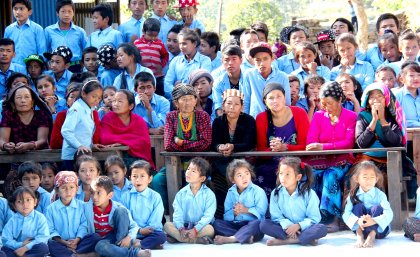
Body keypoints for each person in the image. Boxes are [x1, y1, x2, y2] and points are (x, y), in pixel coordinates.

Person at [306, 81, 357, 232]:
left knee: (330, 175)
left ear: (340, 100)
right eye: (322, 103)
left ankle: (334, 218)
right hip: (321, 160)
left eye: (329, 103)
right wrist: (322, 147)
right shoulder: (318, 116)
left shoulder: (351, 116)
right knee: (310, 175)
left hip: (343, 161)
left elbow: (348, 143)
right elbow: (310, 141)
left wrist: (323, 146)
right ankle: (315, 217)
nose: (325, 107)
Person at [255, 83, 310, 197]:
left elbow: (306, 146)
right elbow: (261, 152)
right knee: (262, 172)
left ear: (285, 98)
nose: (275, 101)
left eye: (279, 96)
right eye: (271, 98)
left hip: (297, 161)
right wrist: (274, 149)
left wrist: (285, 148)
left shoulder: (299, 113)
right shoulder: (261, 118)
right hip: (271, 163)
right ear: (265, 101)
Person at [259, 157, 327, 246]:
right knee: (264, 224)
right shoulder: (275, 194)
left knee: (321, 228)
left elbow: (314, 218)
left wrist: (298, 226)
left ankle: (288, 240)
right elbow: (277, 217)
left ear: (298, 177)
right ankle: (305, 238)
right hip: (285, 228)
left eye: (287, 174)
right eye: (281, 173)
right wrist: (289, 227)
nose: (283, 178)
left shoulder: (309, 193)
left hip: (305, 227)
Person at [211, 89, 256, 217]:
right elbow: (214, 143)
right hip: (221, 163)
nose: (232, 107)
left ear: (242, 107)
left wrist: (232, 147)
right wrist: (220, 147)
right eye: (229, 103)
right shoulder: (218, 122)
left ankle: (243, 215)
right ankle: (222, 216)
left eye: (236, 104)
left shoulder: (249, 120)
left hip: (243, 161)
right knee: (219, 183)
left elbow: (249, 143)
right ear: (223, 105)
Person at [85, 176, 152, 257]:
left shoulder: (117, 206)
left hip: (118, 237)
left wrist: (128, 238)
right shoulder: (87, 209)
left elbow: (134, 227)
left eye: (99, 192)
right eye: (92, 192)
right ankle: (133, 253)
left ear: (110, 195)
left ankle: (119, 249)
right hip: (101, 241)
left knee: (121, 211)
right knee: (100, 246)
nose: (94, 197)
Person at [46, 171, 101, 257]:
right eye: (64, 188)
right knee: (50, 245)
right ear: (57, 190)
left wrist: (77, 240)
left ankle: (72, 254)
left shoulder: (82, 205)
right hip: (61, 243)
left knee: (95, 237)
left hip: (79, 242)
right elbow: (50, 230)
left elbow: (84, 225)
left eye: (72, 187)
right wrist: (64, 242)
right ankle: (77, 255)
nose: (68, 191)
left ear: (77, 189)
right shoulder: (50, 209)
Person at [213, 159, 267, 245]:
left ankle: (232, 238)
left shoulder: (258, 191)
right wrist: (234, 213)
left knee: (259, 224)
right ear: (232, 179)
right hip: (236, 225)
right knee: (217, 223)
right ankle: (244, 237)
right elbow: (226, 214)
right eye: (239, 175)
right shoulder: (231, 192)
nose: (244, 178)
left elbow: (261, 213)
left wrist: (246, 210)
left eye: (247, 173)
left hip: (251, 225)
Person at [163, 157, 216, 244]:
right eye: (188, 169)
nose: (188, 172)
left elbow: (208, 216)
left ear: (202, 178)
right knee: (167, 225)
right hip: (184, 227)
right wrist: (181, 228)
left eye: (193, 171)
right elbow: (177, 214)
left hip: (200, 227)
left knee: (210, 230)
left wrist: (195, 229)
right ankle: (196, 240)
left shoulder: (209, 195)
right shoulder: (181, 193)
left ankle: (179, 239)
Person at [342, 161, 393, 248]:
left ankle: (371, 236)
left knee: (377, 208)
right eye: (365, 177)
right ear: (357, 179)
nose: (368, 180)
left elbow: (389, 213)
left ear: (376, 179)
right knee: (357, 207)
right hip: (361, 227)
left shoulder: (380, 195)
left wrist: (374, 220)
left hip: (379, 231)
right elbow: (346, 214)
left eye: (372, 177)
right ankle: (360, 236)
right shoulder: (352, 195)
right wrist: (358, 221)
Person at [100, 89, 155, 168]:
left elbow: (143, 141)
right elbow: (105, 138)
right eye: (114, 101)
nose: (115, 104)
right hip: (115, 159)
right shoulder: (107, 118)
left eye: (120, 101)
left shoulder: (139, 120)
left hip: (139, 158)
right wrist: (128, 141)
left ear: (131, 106)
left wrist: (121, 142)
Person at [121, 160, 166, 249]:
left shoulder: (155, 196)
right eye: (134, 176)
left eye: (142, 176)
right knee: (119, 233)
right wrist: (139, 230)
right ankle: (146, 244)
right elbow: (125, 217)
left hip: (150, 232)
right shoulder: (125, 196)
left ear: (150, 179)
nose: (138, 180)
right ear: (130, 178)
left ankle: (138, 244)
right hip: (132, 232)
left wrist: (147, 230)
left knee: (161, 236)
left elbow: (156, 219)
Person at [61, 79, 103, 170]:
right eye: (94, 96)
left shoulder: (90, 109)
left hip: (83, 154)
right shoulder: (76, 108)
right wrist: (79, 145)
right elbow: (66, 131)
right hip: (72, 156)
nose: (97, 100)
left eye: (99, 98)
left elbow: (82, 132)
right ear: (84, 94)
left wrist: (91, 145)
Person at [243, 42, 290, 118]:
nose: (262, 63)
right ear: (253, 61)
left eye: (265, 59)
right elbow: (246, 101)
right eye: (258, 60)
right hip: (255, 120)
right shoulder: (249, 75)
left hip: (277, 120)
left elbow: (286, 102)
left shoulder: (282, 77)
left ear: (272, 58)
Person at [50, 82, 101, 150]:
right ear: (67, 100)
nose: (75, 101)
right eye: (72, 97)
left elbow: (95, 140)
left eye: (79, 98)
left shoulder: (93, 114)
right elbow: (55, 143)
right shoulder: (62, 116)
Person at [1, 186, 49, 257]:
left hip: (32, 247)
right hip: (16, 248)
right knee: (4, 249)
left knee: (43, 247)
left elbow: (43, 237)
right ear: (14, 206)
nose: (24, 204)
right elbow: (6, 239)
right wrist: (21, 245)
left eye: (28, 200)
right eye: (19, 201)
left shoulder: (40, 217)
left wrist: (25, 248)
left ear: (35, 202)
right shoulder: (12, 220)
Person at [164, 28, 211, 99]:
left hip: (197, 102)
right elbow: (167, 85)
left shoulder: (204, 60)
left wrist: (179, 87)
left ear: (194, 43)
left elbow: (201, 86)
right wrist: (179, 96)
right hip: (177, 102)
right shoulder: (176, 61)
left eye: (184, 44)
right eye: (180, 44)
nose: (181, 47)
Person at [164, 83, 211, 151]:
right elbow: (168, 145)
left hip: (200, 158)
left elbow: (206, 144)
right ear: (176, 103)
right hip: (177, 159)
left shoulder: (203, 116)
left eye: (191, 98)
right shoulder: (171, 116)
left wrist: (181, 142)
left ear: (195, 101)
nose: (188, 103)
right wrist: (194, 145)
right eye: (184, 99)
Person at [44, 0, 88, 73]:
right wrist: (48, 66)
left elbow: (86, 51)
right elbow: (45, 50)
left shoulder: (80, 32)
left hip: (75, 67)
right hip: (56, 67)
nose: (66, 15)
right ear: (57, 13)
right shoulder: (49, 31)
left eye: (69, 11)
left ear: (73, 13)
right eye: (63, 11)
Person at [4, 0, 46, 66]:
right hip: (13, 68)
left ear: (30, 11)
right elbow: (5, 50)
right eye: (15, 9)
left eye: (21, 9)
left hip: (30, 69)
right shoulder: (8, 30)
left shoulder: (37, 29)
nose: (17, 12)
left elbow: (42, 52)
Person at [133, 18, 169, 96]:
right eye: (150, 35)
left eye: (155, 36)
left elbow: (165, 55)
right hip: (143, 77)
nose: (152, 38)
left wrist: (161, 65)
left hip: (158, 76)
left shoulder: (159, 43)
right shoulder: (137, 43)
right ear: (144, 31)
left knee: (159, 94)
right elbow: (134, 58)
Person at [212, 45, 245, 117]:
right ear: (222, 61)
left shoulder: (248, 79)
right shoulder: (218, 83)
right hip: (225, 120)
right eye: (227, 60)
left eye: (234, 59)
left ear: (241, 60)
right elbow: (219, 107)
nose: (230, 63)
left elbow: (249, 104)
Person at [394, 63, 420, 127]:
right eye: (411, 75)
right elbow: (396, 119)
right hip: (406, 134)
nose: (416, 78)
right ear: (402, 79)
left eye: (419, 75)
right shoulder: (397, 96)